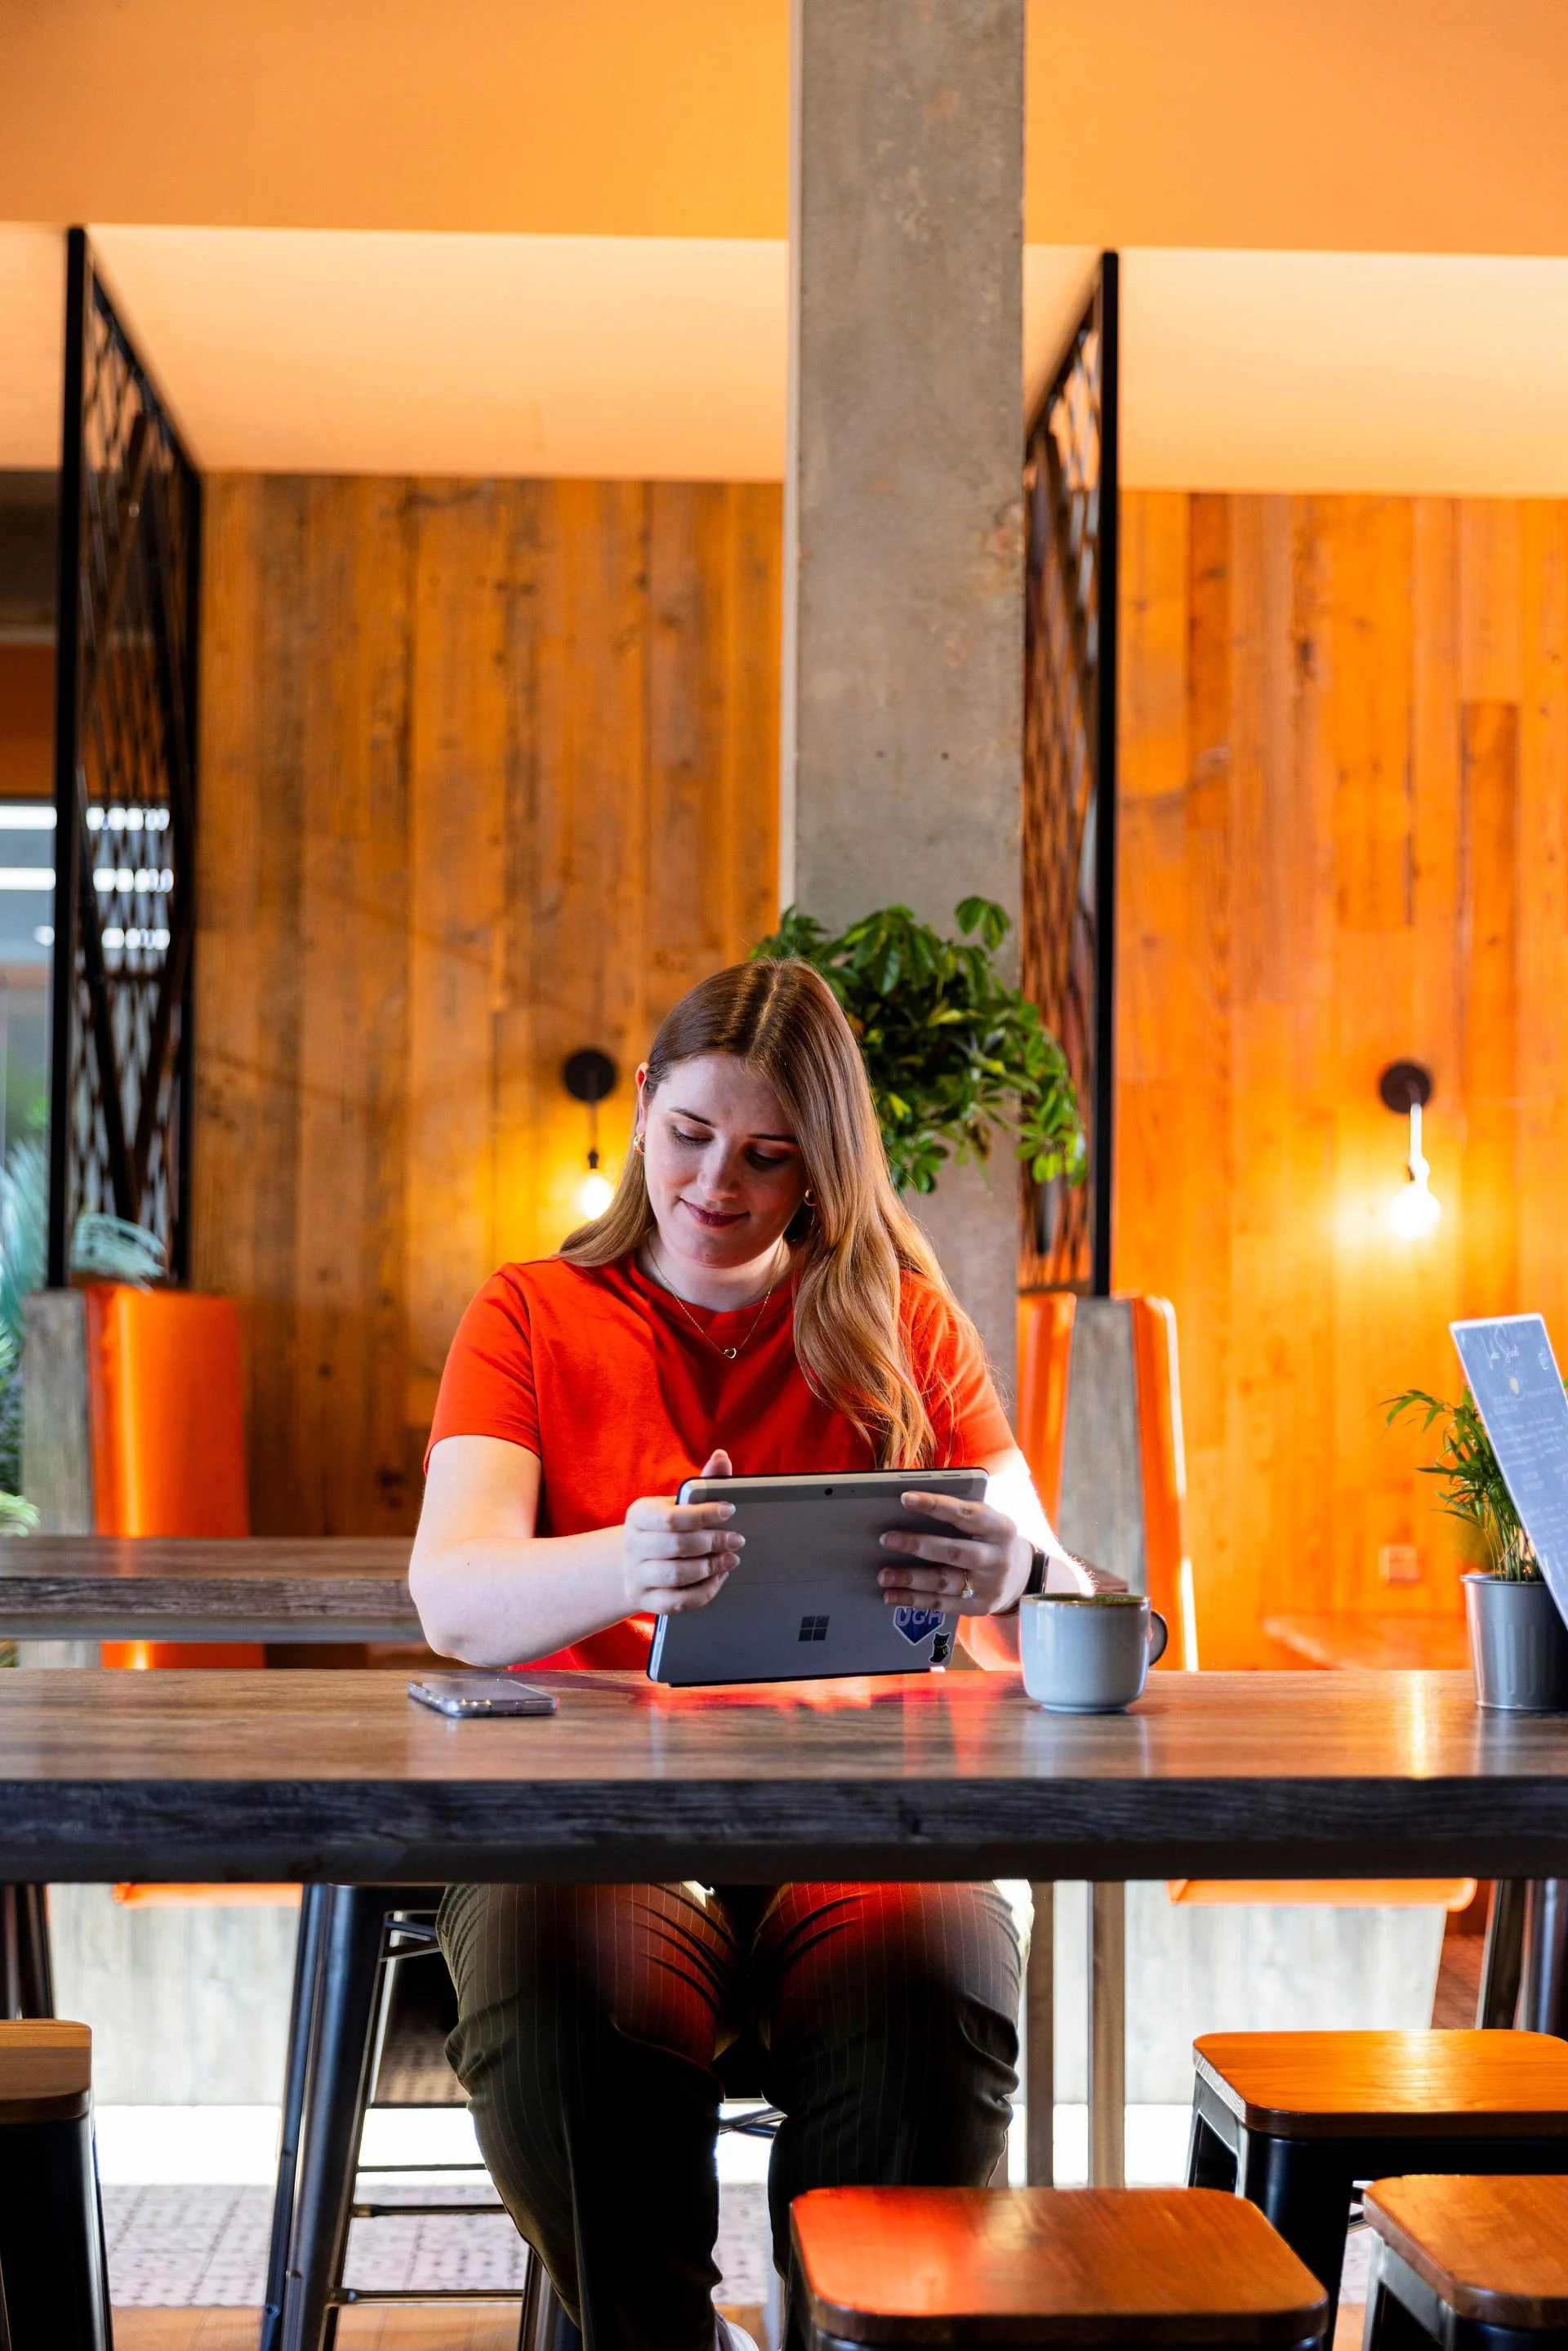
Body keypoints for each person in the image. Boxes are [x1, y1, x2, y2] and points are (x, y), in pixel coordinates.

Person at [411, 956, 1084, 2351]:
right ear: (645, 1106)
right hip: (594, 1824)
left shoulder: (897, 1321)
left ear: (823, 1169)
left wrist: (1015, 1572)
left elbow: (1064, 1608)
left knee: (929, 2010)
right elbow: (455, 1599)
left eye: (770, 1157)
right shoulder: (531, 1313)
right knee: (561, 2018)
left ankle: (847, 2325)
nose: (719, 1184)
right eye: (692, 1137)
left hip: (866, 1814)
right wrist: (625, 1562)